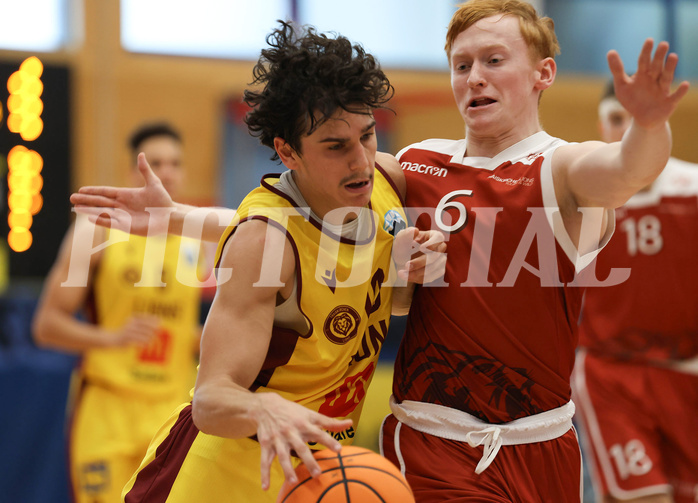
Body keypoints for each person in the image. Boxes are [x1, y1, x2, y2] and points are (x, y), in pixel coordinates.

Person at [71, 2, 690, 501]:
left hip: (539, 439)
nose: (474, 76)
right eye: (461, 64)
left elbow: (624, 171)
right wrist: (175, 220)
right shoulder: (416, 168)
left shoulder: (539, 169)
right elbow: (283, 223)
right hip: (406, 442)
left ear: (543, 74)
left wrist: (649, 127)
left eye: (493, 59)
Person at [72, 22, 444, 502]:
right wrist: (265, 409)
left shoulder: (387, 181)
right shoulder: (265, 243)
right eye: (336, 146)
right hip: (227, 469)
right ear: (288, 152)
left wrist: (411, 273)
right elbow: (211, 399)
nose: (361, 160)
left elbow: (380, 305)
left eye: (368, 136)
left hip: (315, 469)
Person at [32, 122, 204, 503]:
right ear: (134, 173)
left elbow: (183, 327)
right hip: (108, 408)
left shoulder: (197, 236)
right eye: (156, 163)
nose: (169, 172)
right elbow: (46, 326)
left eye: (175, 163)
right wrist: (111, 337)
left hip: (172, 409)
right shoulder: (96, 230)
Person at [570, 82, 698, 503]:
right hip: (613, 374)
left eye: (638, 118)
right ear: (600, 126)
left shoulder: (692, 190)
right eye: (616, 119)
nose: (627, 130)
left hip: (685, 371)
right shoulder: (578, 199)